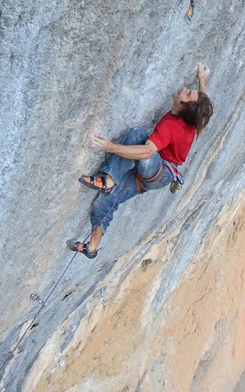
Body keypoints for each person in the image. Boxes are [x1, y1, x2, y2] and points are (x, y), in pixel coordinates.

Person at [67, 64, 213, 258]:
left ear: (184, 106)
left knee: (138, 134)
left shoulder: (171, 126)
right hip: (152, 175)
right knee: (105, 202)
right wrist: (202, 79)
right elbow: (203, 107)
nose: (184, 89)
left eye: (187, 93)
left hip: (158, 170)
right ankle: (92, 247)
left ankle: (108, 180)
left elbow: (147, 152)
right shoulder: (195, 118)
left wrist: (110, 147)